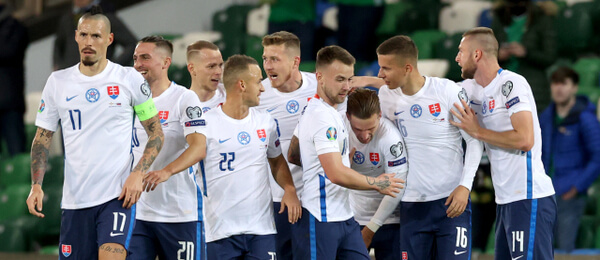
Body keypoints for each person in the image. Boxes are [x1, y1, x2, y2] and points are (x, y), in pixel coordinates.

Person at [26, 7, 164, 260]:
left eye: (97, 36)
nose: (89, 42)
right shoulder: (57, 82)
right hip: (75, 202)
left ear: (109, 40)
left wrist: (137, 173)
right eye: (84, 35)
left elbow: (156, 133)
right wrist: (36, 185)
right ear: (76, 36)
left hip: (116, 197)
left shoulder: (129, 79)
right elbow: (42, 139)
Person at [453, 27, 556, 259]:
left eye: (461, 51)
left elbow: (525, 139)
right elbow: (428, 89)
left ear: (477, 54)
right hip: (505, 200)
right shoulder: (472, 89)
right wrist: (375, 82)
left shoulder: (512, 84)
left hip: (529, 197)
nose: (457, 57)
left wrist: (477, 131)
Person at [377, 35, 483, 260]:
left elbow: (474, 140)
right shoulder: (385, 96)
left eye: (386, 68)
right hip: (410, 206)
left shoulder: (446, 91)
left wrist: (465, 186)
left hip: (451, 204)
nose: (380, 74)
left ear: (407, 68)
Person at [292, 45, 403, 259]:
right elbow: (335, 174)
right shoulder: (321, 117)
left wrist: (327, 159)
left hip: (344, 216)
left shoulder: (331, 108)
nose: (346, 87)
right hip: (321, 218)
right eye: (340, 79)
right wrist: (377, 183)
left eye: (350, 79)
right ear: (320, 77)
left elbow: (294, 155)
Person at [196, 54, 302, 259]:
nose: (263, 87)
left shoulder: (266, 122)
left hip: (261, 231)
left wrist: (289, 188)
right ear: (242, 85)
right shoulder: (205, 124)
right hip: (219, 232)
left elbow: (277, 160)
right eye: (258, 81)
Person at [127, 36, 207, 260]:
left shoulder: (184, 98)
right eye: (135, 59)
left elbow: (199, 148)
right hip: (139, 213)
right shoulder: (129, 101)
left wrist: (166, 171)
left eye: (145, 58)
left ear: (165, 62)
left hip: (179, 214)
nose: (138, 64)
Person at [256, 31, 318, 259]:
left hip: (317, 198)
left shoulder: (319, 86)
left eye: (275, 59)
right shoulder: (258, 95)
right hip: (277, 199)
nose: (268, 66)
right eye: (265, 59)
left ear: (295, 61)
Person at [540, 67, 600, 252]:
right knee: (542, 250)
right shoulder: (545, 117)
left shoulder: (585, 118)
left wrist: (576, 187)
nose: (559, 89)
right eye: (555, 83)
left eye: (564, 84)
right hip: (545, 194)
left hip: (569, 196)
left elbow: (597, 157)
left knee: (565, 250)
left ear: (575, 88)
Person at [345, 88, 408, 260]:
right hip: (352, 219)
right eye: (358, 129)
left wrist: (371, 228)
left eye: (371, 128)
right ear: (348, 117)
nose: (365, 136)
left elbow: (397, 187)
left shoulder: (390, 138)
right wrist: (344, 169)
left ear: (380, 115)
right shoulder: (339, 130)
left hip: (389, 221)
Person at [491, 0, 557, 111]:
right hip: (502, 87)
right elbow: (486, 52)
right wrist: (497, 56)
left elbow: (550, 56)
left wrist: (526, 53)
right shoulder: (499, 18)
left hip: (533, 87)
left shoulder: (542, 18)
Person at [53, 0, 137, 70]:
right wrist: (58, 66)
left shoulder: (106, 17)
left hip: (96, 76)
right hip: (71, 75)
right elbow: (59, 44)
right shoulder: (68, 18)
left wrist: (113, 66)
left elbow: (132, 44)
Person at [0, 1, 28, 156]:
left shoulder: (15, 27)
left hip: (10, 103)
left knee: (16, 154)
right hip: (10, 100)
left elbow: (8, 52)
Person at [187, 40, 225, 113]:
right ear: (192, 69)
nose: (219, 72)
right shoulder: (179, 105)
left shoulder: (234, 96)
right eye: (211, 66)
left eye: (220, 65)